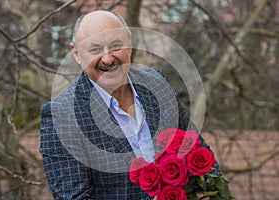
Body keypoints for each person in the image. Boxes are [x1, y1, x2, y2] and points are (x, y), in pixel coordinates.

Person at [39, 10, 216, 199]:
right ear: (76, 53)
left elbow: (201, 153)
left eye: (116, 46)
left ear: (130, 45)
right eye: (95, 49)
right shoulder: (61, 115)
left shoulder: (157, 84)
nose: (107, 59)